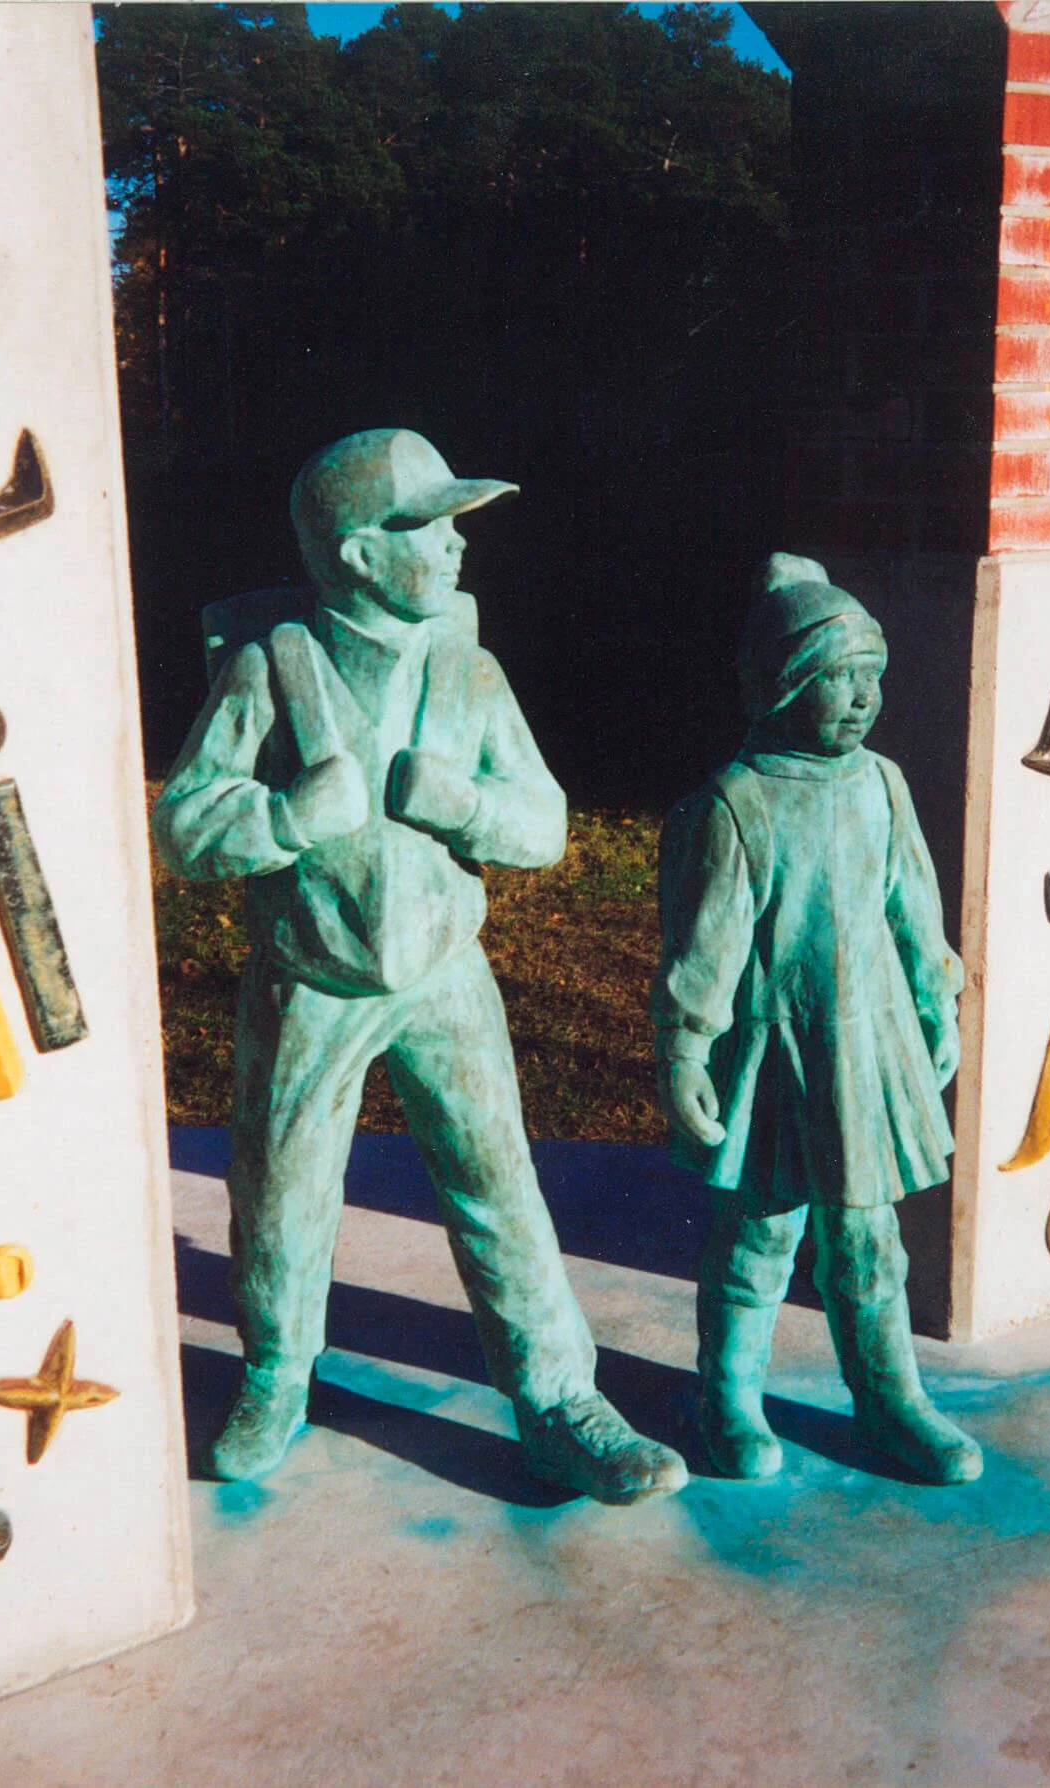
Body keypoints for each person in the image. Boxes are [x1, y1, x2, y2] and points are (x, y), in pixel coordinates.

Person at [153, 427, 687, 1502]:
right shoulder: (272, 667)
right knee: (284, 1187)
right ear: (357, 554)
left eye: (455, 526)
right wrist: (285, 817)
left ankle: (557, 1396)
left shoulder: (468, 671)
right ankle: (276, 1373)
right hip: (311, 980)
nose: (456, 545)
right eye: (430, 526)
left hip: (444, 974)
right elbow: (185, 825)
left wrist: (469, 805)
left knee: (496, 1181)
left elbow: (544, 824)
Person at [650, 553, 982, 1486]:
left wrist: (937, 1000)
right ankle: (728, 1398)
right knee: (760, 1232)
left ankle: (889, 1399)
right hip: (776, 1052)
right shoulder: (738, 804)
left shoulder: (882, 784)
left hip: (867, 1046)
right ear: (782, 685)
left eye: (873, 675)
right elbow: (704, 947)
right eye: (838, 677)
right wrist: (685, 1049)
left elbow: (913, 908)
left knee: (868, 1236)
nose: (862, 697)